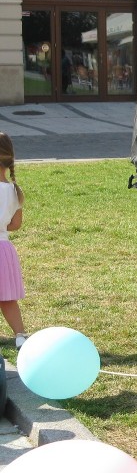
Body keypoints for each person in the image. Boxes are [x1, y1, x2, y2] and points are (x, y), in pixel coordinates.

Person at [0, 133, 27, 350]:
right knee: (7, 298)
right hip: (4, 249)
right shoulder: (14, 191)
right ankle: (20, 335)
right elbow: (16, 224)